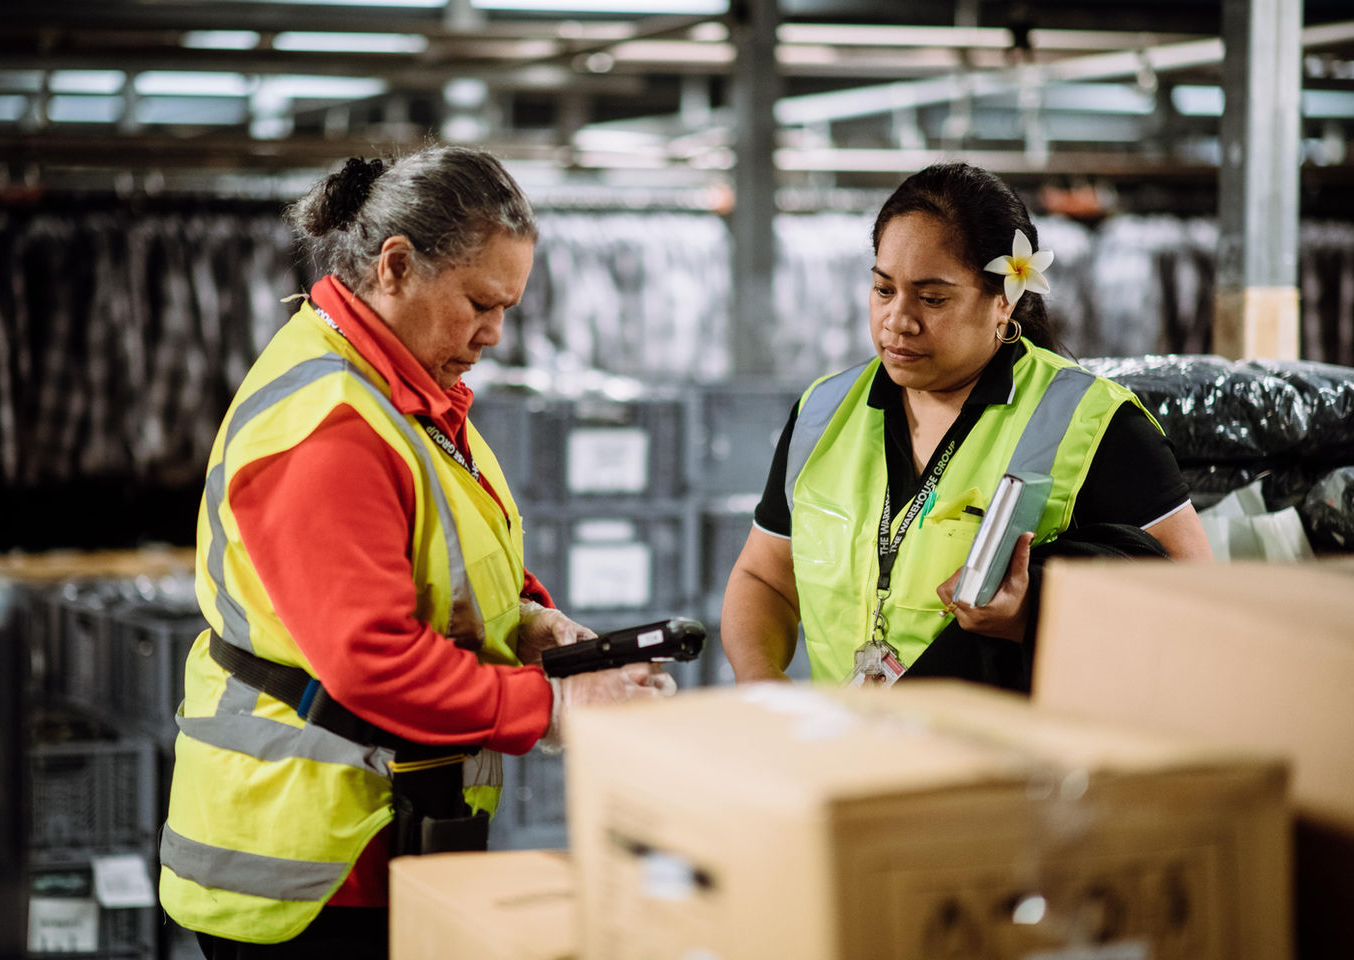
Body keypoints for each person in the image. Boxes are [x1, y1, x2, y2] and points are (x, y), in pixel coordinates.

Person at [159, 145, 673, 959]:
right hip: (308, 866)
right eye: (479, 302)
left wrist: (530, 621)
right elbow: (371, 661)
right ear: (395, 266)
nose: (494, 333)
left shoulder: (404, 397)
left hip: (374, 839)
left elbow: (438, 552)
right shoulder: (329, 422)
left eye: (506, 308)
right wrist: (553, 709)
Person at [721, 161, 1212, 689]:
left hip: (997, 763)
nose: (898, 320)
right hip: (845, 753)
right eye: (885, 290)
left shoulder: (1092, 424)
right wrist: (761, 679)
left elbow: (1200, 607)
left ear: (1004, 300)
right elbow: (764, 577)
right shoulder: (822, 413)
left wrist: (1032, 615)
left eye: (932, 299)